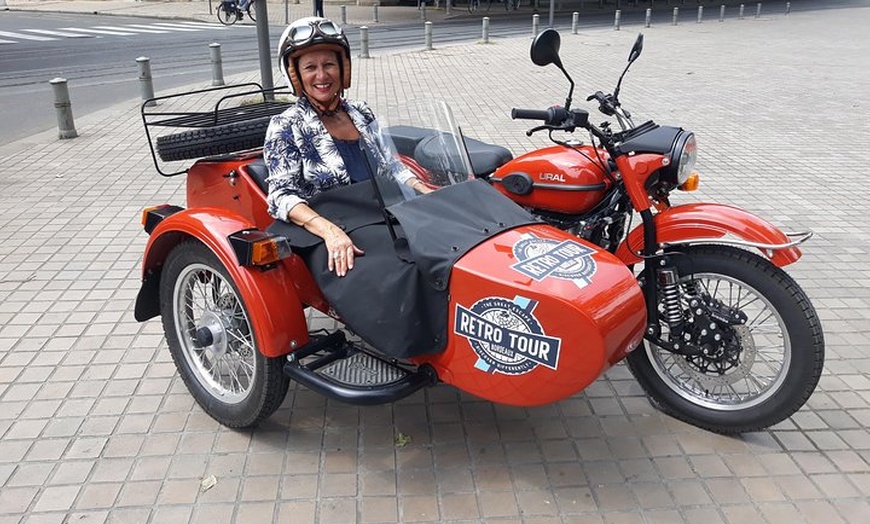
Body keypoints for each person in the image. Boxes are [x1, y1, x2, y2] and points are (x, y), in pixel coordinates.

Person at [263, 17, 433, 278]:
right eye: (310, 67)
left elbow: (392, 168)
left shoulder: (361, 112)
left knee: (438, 252)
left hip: (383, 216)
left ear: (343, 68)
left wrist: (427, 192)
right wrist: (330, 231)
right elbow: (281, 197)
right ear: (295, 75)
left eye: (329, 64)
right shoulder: (286, 125)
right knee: (398, 275)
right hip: (333, 228)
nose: (322, 75)